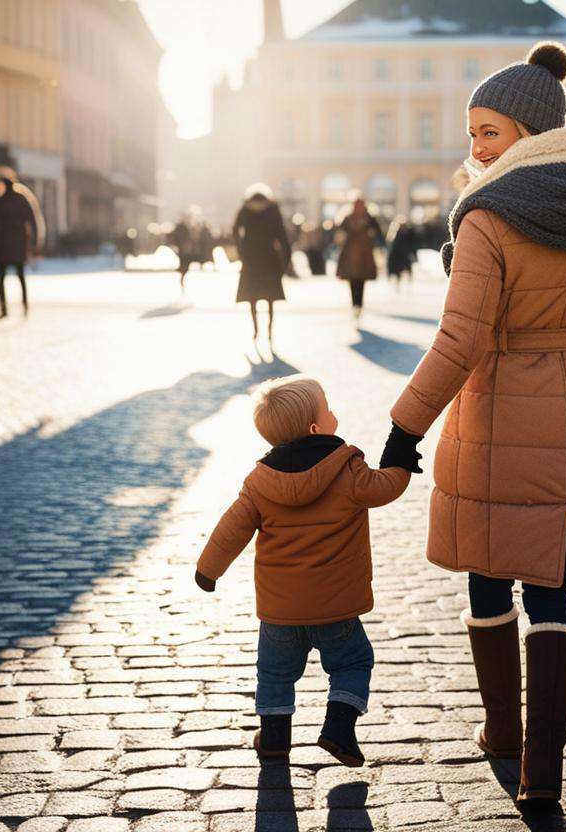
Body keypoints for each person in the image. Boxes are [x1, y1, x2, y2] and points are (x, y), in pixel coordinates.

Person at [379, 41, 566, 814]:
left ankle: (503, 730)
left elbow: (460, 341)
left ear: (530, 133)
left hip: (499, 420)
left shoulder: (488, 216)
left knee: (488, 573)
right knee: (551, 590)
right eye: (472, 132)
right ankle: (543, 770)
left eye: (490, 131)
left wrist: (405, 429)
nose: (476, 146)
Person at [193, 376, 411, 766]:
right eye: (327, 408)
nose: (332, 411)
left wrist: (208, 571)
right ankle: (338, 727)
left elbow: (231, 529)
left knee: (274, 674)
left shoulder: (260, 482)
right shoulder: (348, 469)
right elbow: (385, 488)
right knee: (353, 662)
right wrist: (401, 456)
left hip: (280, 611)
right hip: (336, 608)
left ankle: (274, 738)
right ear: (315, 427)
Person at [232, 185, 292, 345]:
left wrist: (241, 249)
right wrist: (286, 259)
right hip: (269, 257)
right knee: (270, 298)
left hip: (250, 258)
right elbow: (282, 234)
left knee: (252, 297)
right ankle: (269, 330)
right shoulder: (272, 209)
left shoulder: (246, 208)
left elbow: (235, 230)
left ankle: (256, 330)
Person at [0, 178, 40, 318]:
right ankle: (24, 305)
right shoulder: (21, 200)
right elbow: (34, 222)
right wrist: (36, 243)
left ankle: (4, 308)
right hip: (18, 245)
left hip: (2, 247)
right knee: (20, 277)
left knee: (2, 278)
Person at [334, 198, 382, 321]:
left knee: (358, 281)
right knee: (355, 280)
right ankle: (357, 305)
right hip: (354, 253)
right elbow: (340, 231)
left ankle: (357, 305)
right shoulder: (350, 217)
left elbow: (378, 232)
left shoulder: (368, 218)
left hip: (361, 254)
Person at [385, 215, 419, 287]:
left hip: (405, 255)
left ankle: (409, 283)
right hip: (398, 256)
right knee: (398, 271)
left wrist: (413, 253)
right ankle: (399, 283)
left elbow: (413, 244)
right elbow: (392, 246)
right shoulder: (395, 233)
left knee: (408, 269)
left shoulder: (409, 233)